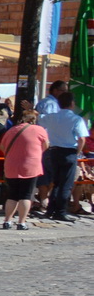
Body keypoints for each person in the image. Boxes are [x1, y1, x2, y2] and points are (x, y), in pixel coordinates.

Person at [38, 92, 89, 222]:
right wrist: (77, 152)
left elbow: (39, 119)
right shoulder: (76, 119)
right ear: (72, 103)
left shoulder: (51, 117)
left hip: (54, 151)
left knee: (56, 182)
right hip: (69, 151)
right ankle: (60, 211)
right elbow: (82, 139)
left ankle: (50, 210)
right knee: (66, 184)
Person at [0, 104, 47, 230]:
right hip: (30, 166)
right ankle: (21, 222)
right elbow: (46, 145)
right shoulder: (39, 130)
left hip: (11, 165)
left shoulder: (12, 130)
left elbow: (2, 147)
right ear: (33, 119)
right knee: (26, 195)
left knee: (12, 194)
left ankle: (7, 221)